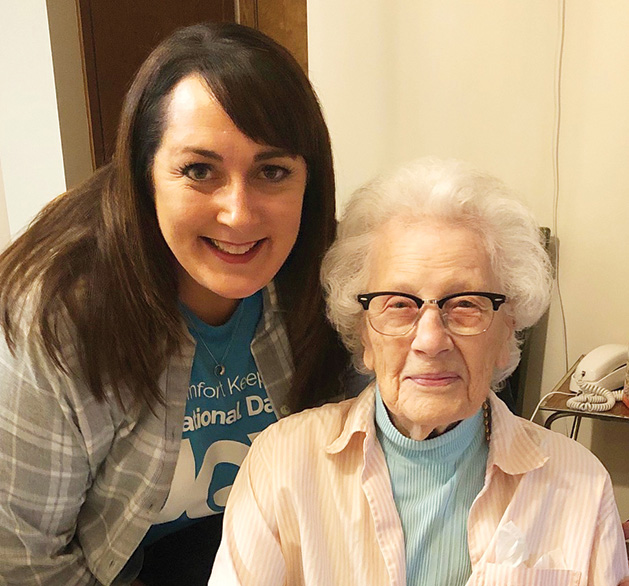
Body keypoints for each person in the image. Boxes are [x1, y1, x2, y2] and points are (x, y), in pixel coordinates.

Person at [0, 22, 355, 586]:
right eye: (199, 170)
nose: (238, 214)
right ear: (144, 176)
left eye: (272, 171)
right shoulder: (56, 319)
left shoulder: (331, 277)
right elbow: (20, 560)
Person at [210, 158, 629, 585]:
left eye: (466, 303)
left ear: (508, 330)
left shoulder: (581, 485)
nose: (430, 341)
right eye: (398, 303)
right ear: (364, 334)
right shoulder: (281, 464)